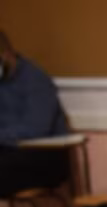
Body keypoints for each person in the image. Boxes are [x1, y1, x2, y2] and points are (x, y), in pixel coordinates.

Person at [0, 30, 71, 197]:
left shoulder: (35, 80)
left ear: (7, 54)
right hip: (9, 153)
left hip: (43, 156)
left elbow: (36, 129)